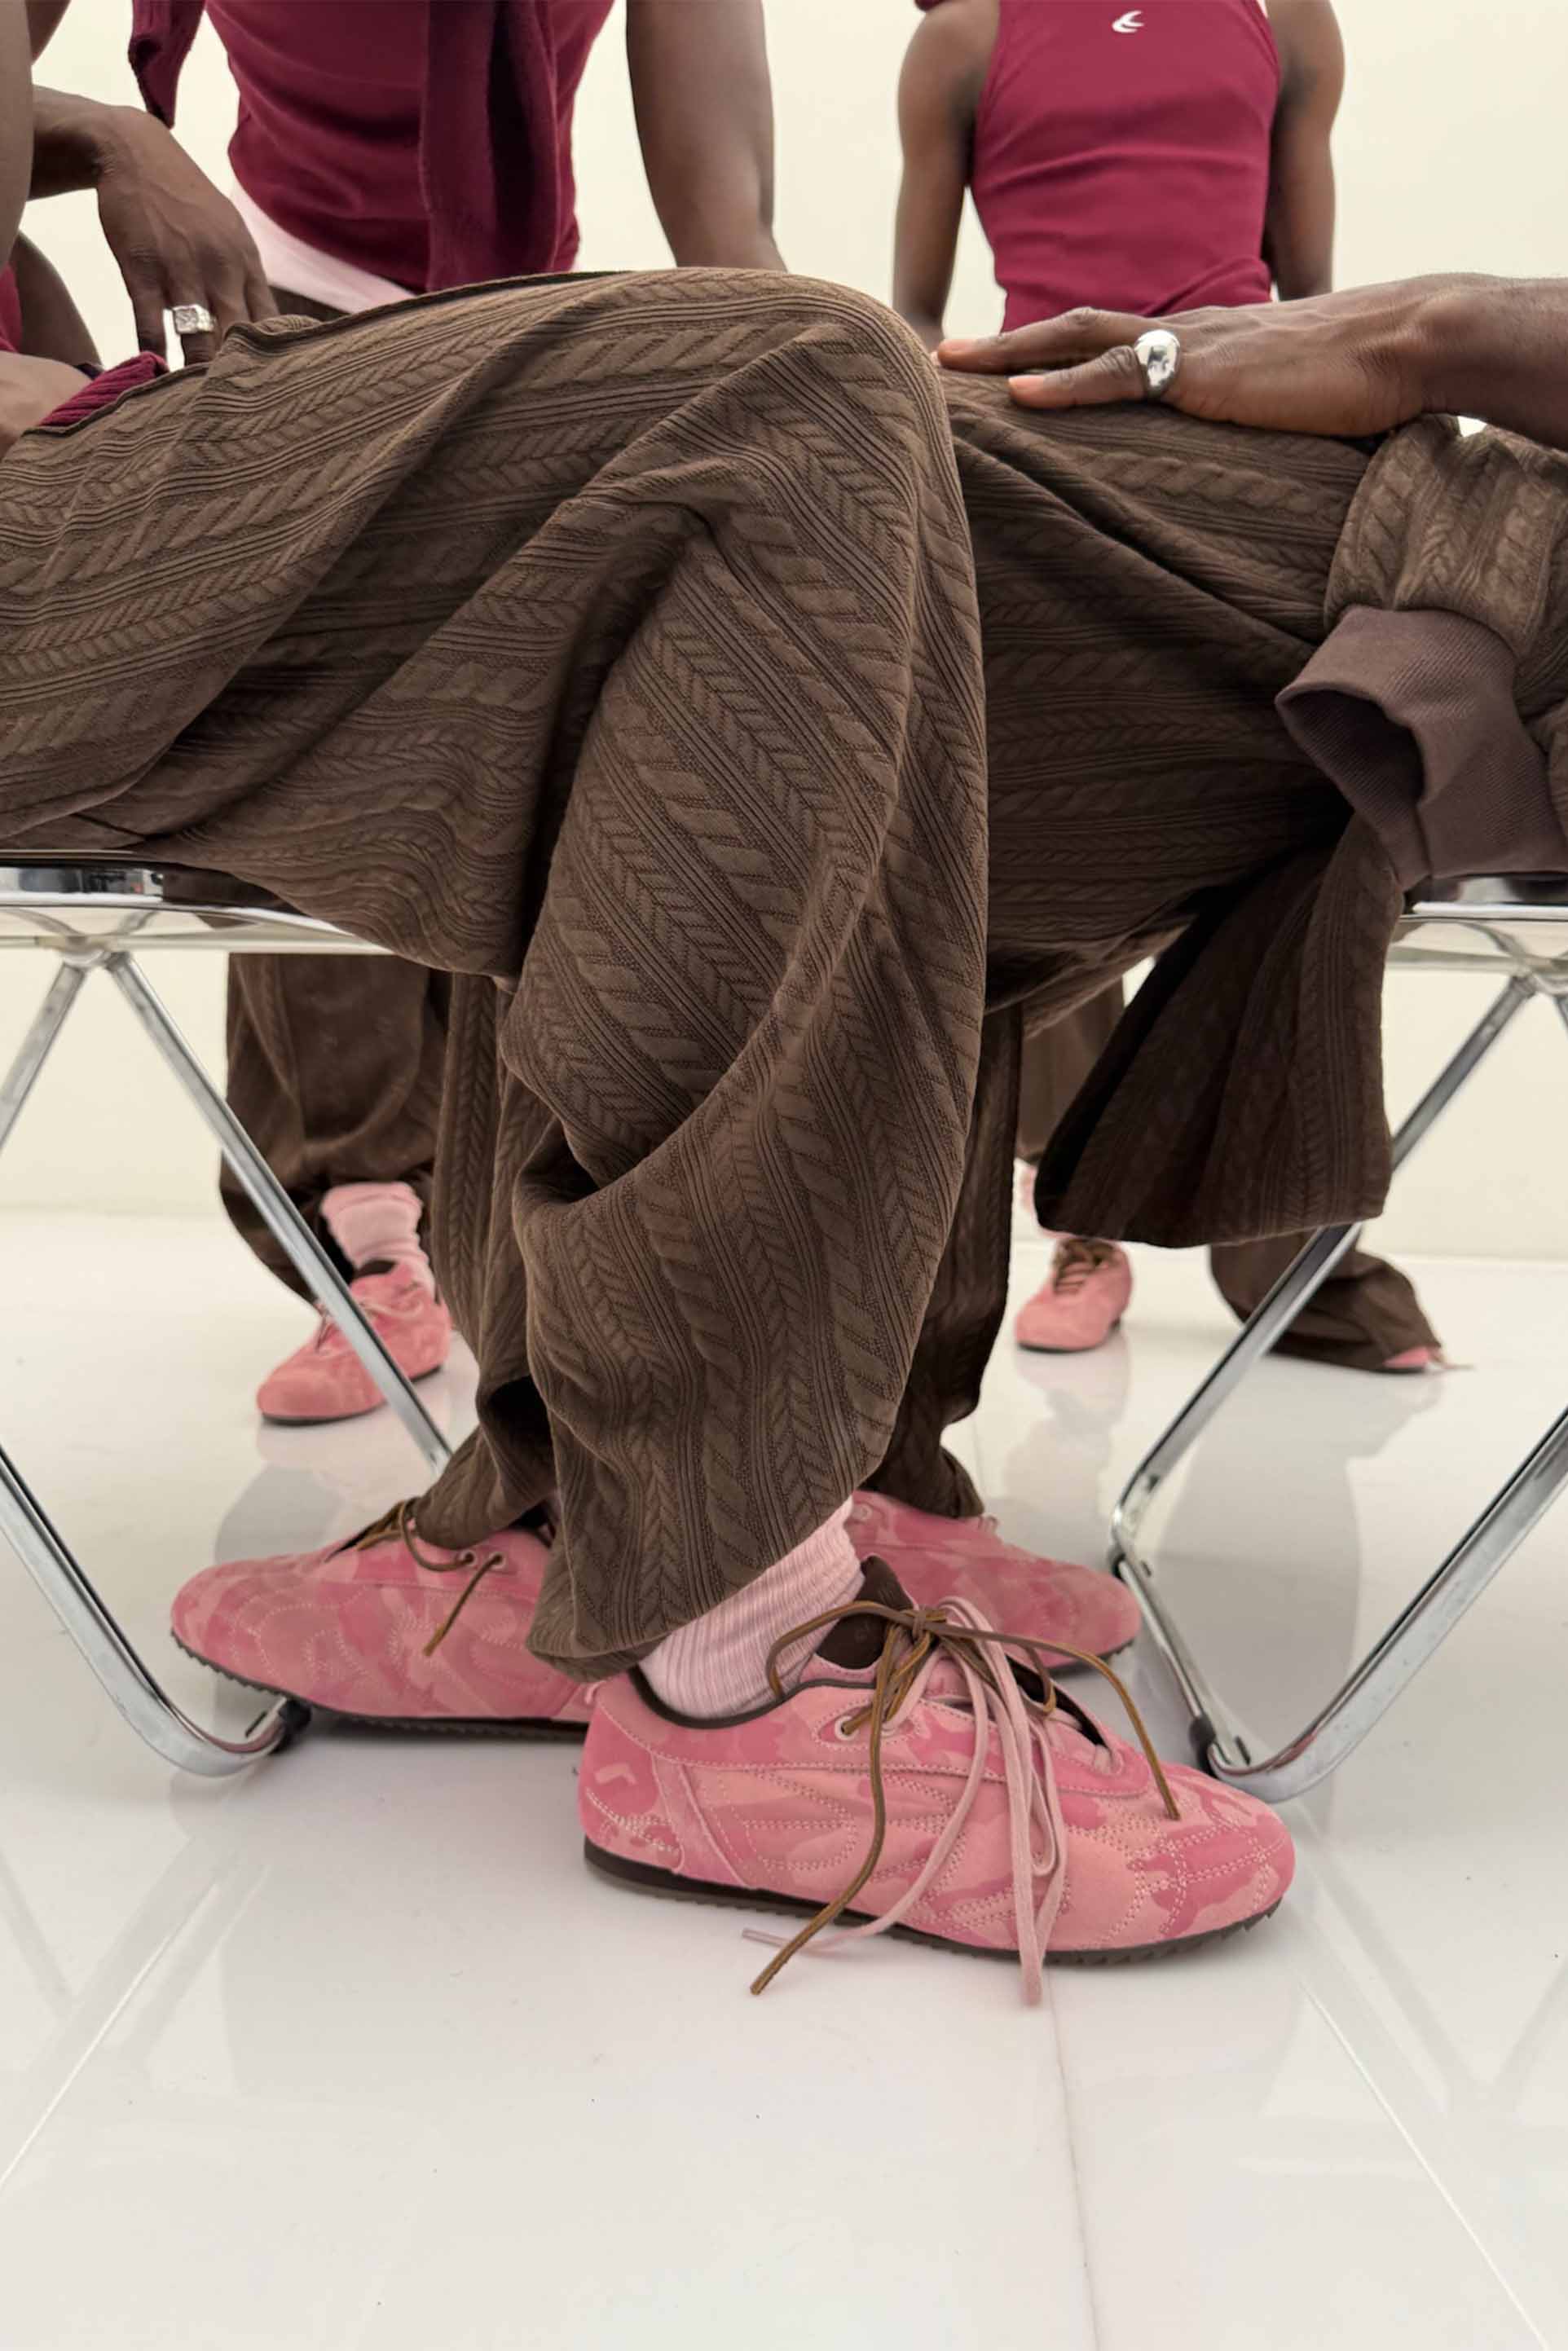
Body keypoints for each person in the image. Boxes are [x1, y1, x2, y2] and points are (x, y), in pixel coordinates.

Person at [10, 6, 1568, 1987]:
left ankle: (590, 1505)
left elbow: (728, 231)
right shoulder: (972, 43)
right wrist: (96, 134)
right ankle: (729, 1645)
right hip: (107, 457)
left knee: (843, 467)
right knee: (792, 399)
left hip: (179, 424)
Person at [27, 0, 786, 1429]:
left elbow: (731, 234)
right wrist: (111, 134)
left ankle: (564, 1253)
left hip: (513, 325)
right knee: (317, 752)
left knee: (567, 744)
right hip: (277, 302)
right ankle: (366, 1234)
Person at [893, 0, 1444, 1377]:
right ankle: (1080, 1221)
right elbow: (914, 318)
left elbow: (1314, 296)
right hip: (1038, 452)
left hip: (1246, 445)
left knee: (1299, 807)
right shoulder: (965, 37)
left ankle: (1285, 1240)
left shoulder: (1283, 19)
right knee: (1019, 828)